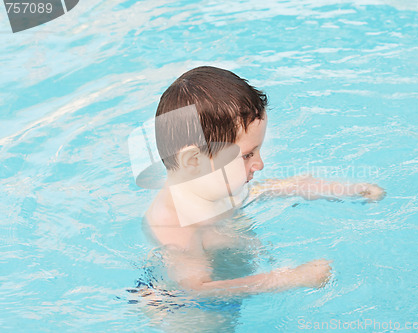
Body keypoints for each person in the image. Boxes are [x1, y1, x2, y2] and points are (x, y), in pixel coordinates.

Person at [143, 66, 385, 299]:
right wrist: (289, 278)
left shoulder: (214, 186)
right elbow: (197, 290)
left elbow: (269, 188)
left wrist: (343, 190)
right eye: (247, 155)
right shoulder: (175, 227)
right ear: (194, 161)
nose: (259, 164)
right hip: (185, 312)